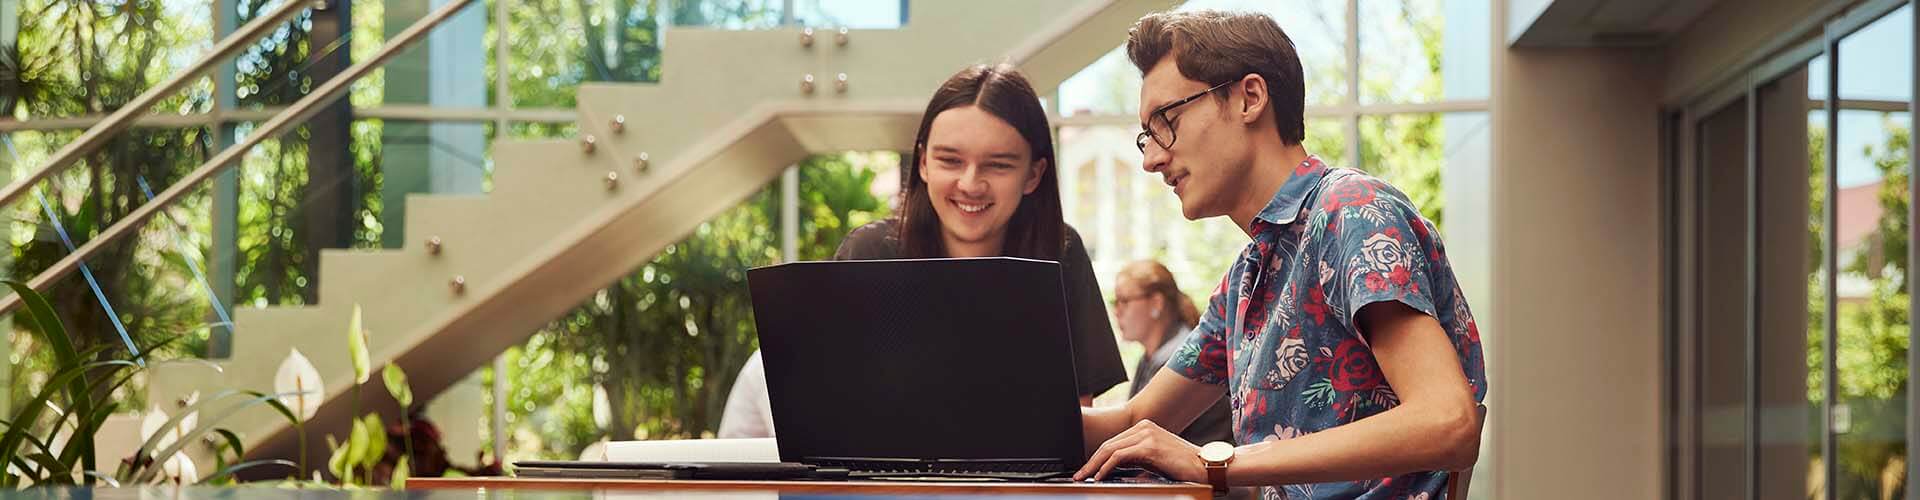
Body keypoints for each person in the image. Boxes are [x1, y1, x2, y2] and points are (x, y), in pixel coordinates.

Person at [1072, 10, 1488, 499]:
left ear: (1249, 97)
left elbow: (1448, 421)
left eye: (1168, 120)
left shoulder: (1351, 210)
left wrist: (1216, 462)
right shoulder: (1246, 278)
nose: (1151, 158)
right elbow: (1135, 418)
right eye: (1148, 133)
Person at [718, 63, 1127, 438]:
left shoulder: (1060, 251)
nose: (970, 183)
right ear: (924, 164)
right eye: (950, 161)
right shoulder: (871, 253)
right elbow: (833, 412)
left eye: (998, 165)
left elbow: (1072, 422)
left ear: (1033, 174)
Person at [1111, 260, 1229, 446]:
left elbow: (1136, 431)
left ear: (1156, 303)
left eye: (1124, 301)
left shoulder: (1182, 360)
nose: (1116, 311)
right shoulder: (1151, 358)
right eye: (1115, 302)